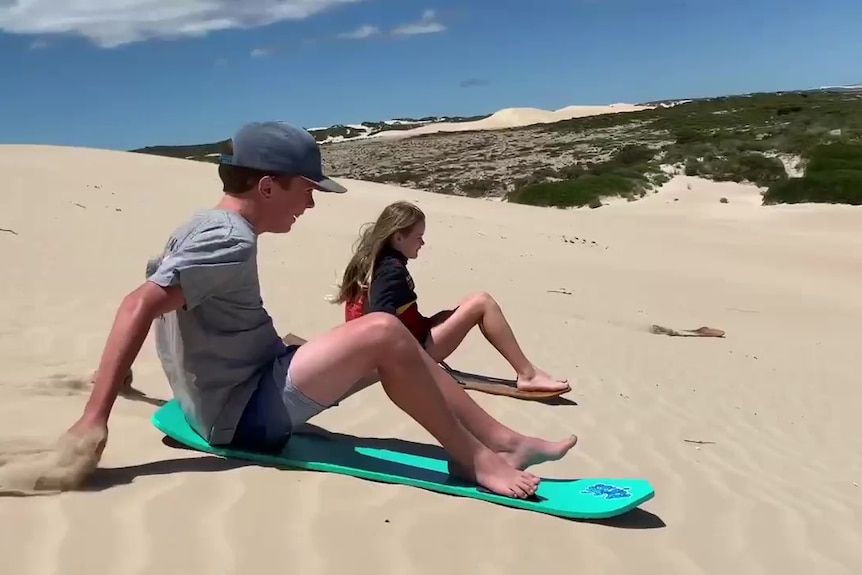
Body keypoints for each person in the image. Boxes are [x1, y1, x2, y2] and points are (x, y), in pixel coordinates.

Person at [61, 121, 577, 499]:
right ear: (267, 186)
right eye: (306, 190)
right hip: (242, 415)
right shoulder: (229, 239)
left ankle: (505, 440)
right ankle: (475, 459)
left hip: (236, 391)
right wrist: (94, 418)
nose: (310, 204)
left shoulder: (198, 225)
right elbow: (139, 303)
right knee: (383, 331)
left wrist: (125, 371)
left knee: (381, 345)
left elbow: (159, 296)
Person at [333, 201, 570, 394]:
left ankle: (528, 372)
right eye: (418, 236)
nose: (423, 242)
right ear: (398, 238)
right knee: (482, 302)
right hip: (412, 353)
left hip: (413, 336)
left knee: (469, 303)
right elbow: (381, 321)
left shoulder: (375, 259)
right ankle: (527, 375)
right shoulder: (390, 270)